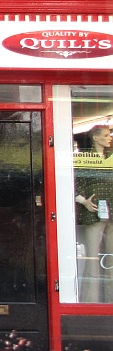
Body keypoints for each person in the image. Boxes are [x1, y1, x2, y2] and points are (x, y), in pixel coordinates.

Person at [74, 125, 113, 303]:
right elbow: (72, 181)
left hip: (112, 212)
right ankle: (91, 302)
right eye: (106, 135)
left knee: (111, 260)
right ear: (95, 138)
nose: (109, 138)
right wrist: (83, 201)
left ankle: (110, 301)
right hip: (93, 212)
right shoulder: (83, 158)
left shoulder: (111, 157)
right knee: (92, 259)